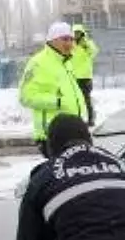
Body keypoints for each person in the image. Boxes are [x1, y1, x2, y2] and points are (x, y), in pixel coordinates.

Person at [19, 22, 88, 156]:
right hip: (53, 134)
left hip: (75, 131)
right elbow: (25, 96)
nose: (69, 43)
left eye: (71, 39)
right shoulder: (37, 63)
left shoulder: (66, 62)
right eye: (64, 39)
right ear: (52, 40)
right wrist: (57, 102)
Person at [69, 23, 100, 125]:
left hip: (86, 77)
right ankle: (77, 120)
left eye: (78, 32)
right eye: (75, 33)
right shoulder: (71, 45)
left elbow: (94, 52)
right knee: (75, 100)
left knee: (86, 99)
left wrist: (86, 44)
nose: (76, 35)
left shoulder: (87, 44)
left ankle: (91, 119)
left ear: (82, 33)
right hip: (74, 77)